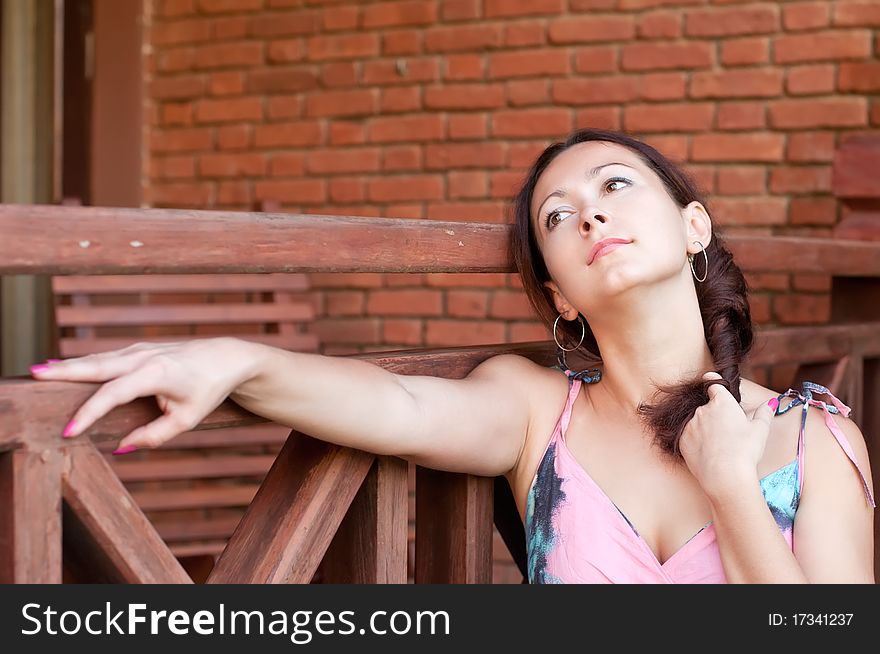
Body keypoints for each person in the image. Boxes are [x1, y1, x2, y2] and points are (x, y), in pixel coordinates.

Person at [30, 128, 874, 584]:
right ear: (559, 296)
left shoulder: (810, 437)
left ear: (694, 228)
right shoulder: (537, 410)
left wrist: (730, 485)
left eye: (616, 185)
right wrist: (236, 360)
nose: (588, 216)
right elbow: (393, 407)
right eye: (557, 215)